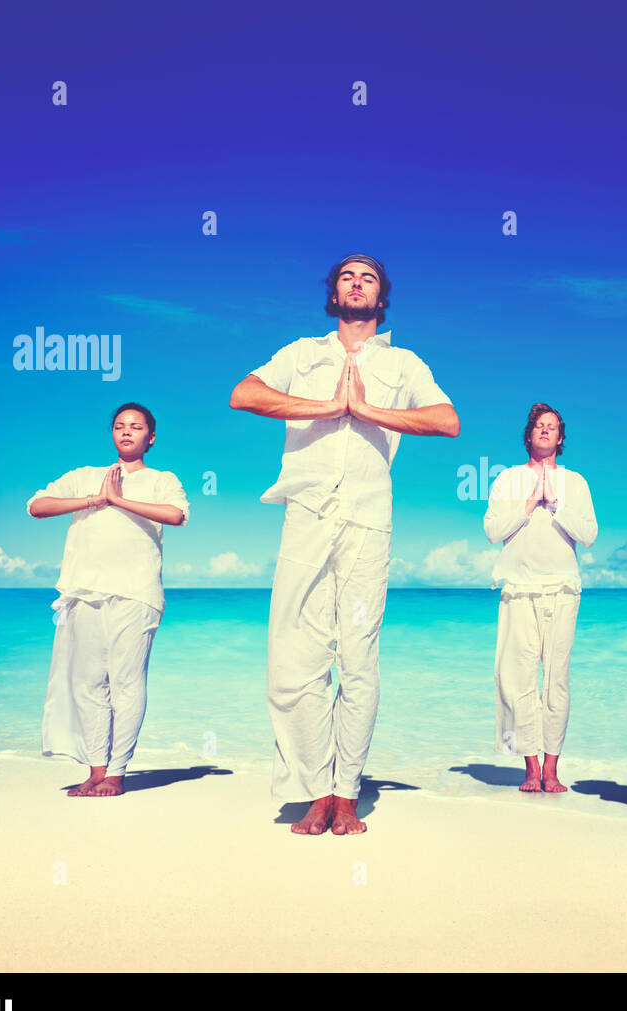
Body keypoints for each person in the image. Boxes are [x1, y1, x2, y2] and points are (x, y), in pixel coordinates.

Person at [229, 253, 459, 836]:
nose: (357, 284)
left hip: (367, 518)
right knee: (295, 659)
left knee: (357, 656)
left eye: (370, 278)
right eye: (347, 277)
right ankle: (312, 787)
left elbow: (446, 420)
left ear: (382, 297)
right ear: (333, 292)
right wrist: (327, 407)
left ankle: (345, 790)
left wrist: (368, 410)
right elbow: (244, 394)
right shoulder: (301, 353)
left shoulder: (402, 361)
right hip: (305, 511)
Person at [27, 403, 189, 796]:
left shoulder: (163, 479)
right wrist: (95, 500)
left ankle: (118, 771)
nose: (127, 432)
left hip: (137, 592)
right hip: (83, 590)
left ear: (151, 437)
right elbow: (37, 506)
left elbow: (176, 515)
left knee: (127, 683)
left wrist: (118, 501)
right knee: (88, 683)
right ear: (112, 434)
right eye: (120, 426)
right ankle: (96, 769)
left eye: (136, 427)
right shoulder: (85, 476)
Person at [484, 404, 598, 793]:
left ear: (560, 438)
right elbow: (492, 531)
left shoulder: (577, 482)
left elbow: (589, 534)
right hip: (517, 587)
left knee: (557, 681)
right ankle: (529, 767)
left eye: (552, 427)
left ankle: (552, 769)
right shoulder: (507, 479)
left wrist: (557, 504)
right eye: (539, 426)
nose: (546, 432)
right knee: (516, 679)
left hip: (563, 588)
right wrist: (529, 504)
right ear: (529, 435)